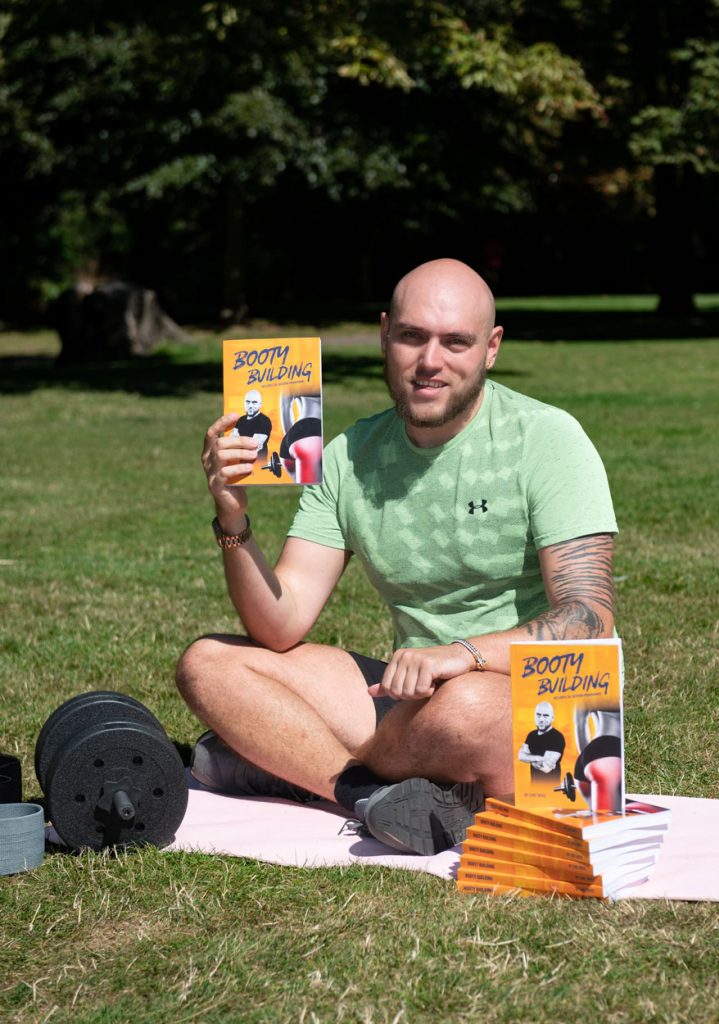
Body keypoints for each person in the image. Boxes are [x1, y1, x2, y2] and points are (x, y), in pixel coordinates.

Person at [177, 258, 617, 855]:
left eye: (455, 342)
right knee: (208, 663)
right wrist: (233, 517)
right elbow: (279, 625)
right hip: (406, 699)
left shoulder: (547, 438)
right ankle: (363, 791)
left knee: (466, 711)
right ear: (386, 335)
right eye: (412, 336)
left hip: (529, 698)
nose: (430, 361)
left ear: (491, 348)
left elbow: (589, 619)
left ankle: (290, 763)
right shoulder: (349, 456)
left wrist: (460, 657)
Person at [518, 702, 565, 784]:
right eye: (538, 715)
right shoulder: (531, 735)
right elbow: (520, 756)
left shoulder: (557, 737)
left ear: (552, 718)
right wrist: (539, 758)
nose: (541, 719)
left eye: (545, 716)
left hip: (551, 788)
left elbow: (546, 767)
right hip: (534, 787)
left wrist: (529, 758)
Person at [231, 390, 273, 459]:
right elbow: (232, 441)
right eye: (247, 402)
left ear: (260, 404)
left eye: (254, 403)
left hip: (257, 462)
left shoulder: (264, 421)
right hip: (240, 463)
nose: (250, 406)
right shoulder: (241, 420)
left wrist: (238, 444)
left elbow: (253, 447)